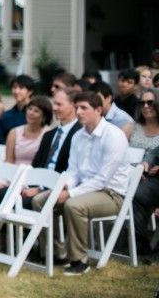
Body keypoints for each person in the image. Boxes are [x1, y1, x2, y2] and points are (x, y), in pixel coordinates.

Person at [32, 91, 130, 276]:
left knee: (73, 205)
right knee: (40, 200)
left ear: (98, 110)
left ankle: (79, 261)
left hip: (112, 194)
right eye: (77, 108)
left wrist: (70, 194)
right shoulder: (78, 136)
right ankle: (55, 253)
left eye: (84, 108)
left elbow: (102, 179)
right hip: (84, 189)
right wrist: (65, 186)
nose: (78, 112)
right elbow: (73, 171)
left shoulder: (113, 136)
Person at [130, 89, 159, 263]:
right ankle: (140, 243)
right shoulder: (135, 126)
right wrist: (145, 163)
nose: (146, 106)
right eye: (142, 103)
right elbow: (154, 152)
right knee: (136, 193)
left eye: (150, 102)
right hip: (143, 177)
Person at [5, 95, 51, 166]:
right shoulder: (14, 133)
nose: (31, 113)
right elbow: (9, 161)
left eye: (36, 111)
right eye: (30, 109)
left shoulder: (48, 134)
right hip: (14, 173)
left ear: (44, 117)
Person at [0, 74, 36, 145]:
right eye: (14, 87)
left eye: (21, 88)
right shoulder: (7, 115)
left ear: (30, 91)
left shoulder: (36, 114)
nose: (16, 91)